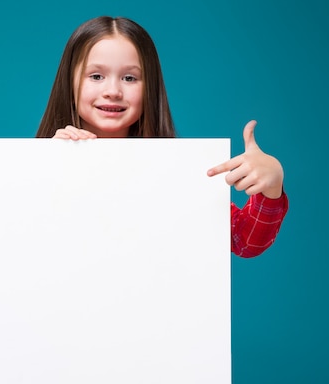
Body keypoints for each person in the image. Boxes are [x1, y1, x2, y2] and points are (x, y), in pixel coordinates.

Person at [36, 16, 288, 258]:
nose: (113, 91)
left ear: (150, 89)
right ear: (69, 85)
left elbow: (244, 242)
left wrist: (271, 187)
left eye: (129, 78)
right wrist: (48, 167)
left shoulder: (179, 172)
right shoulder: (36, 165)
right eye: (96, 76)